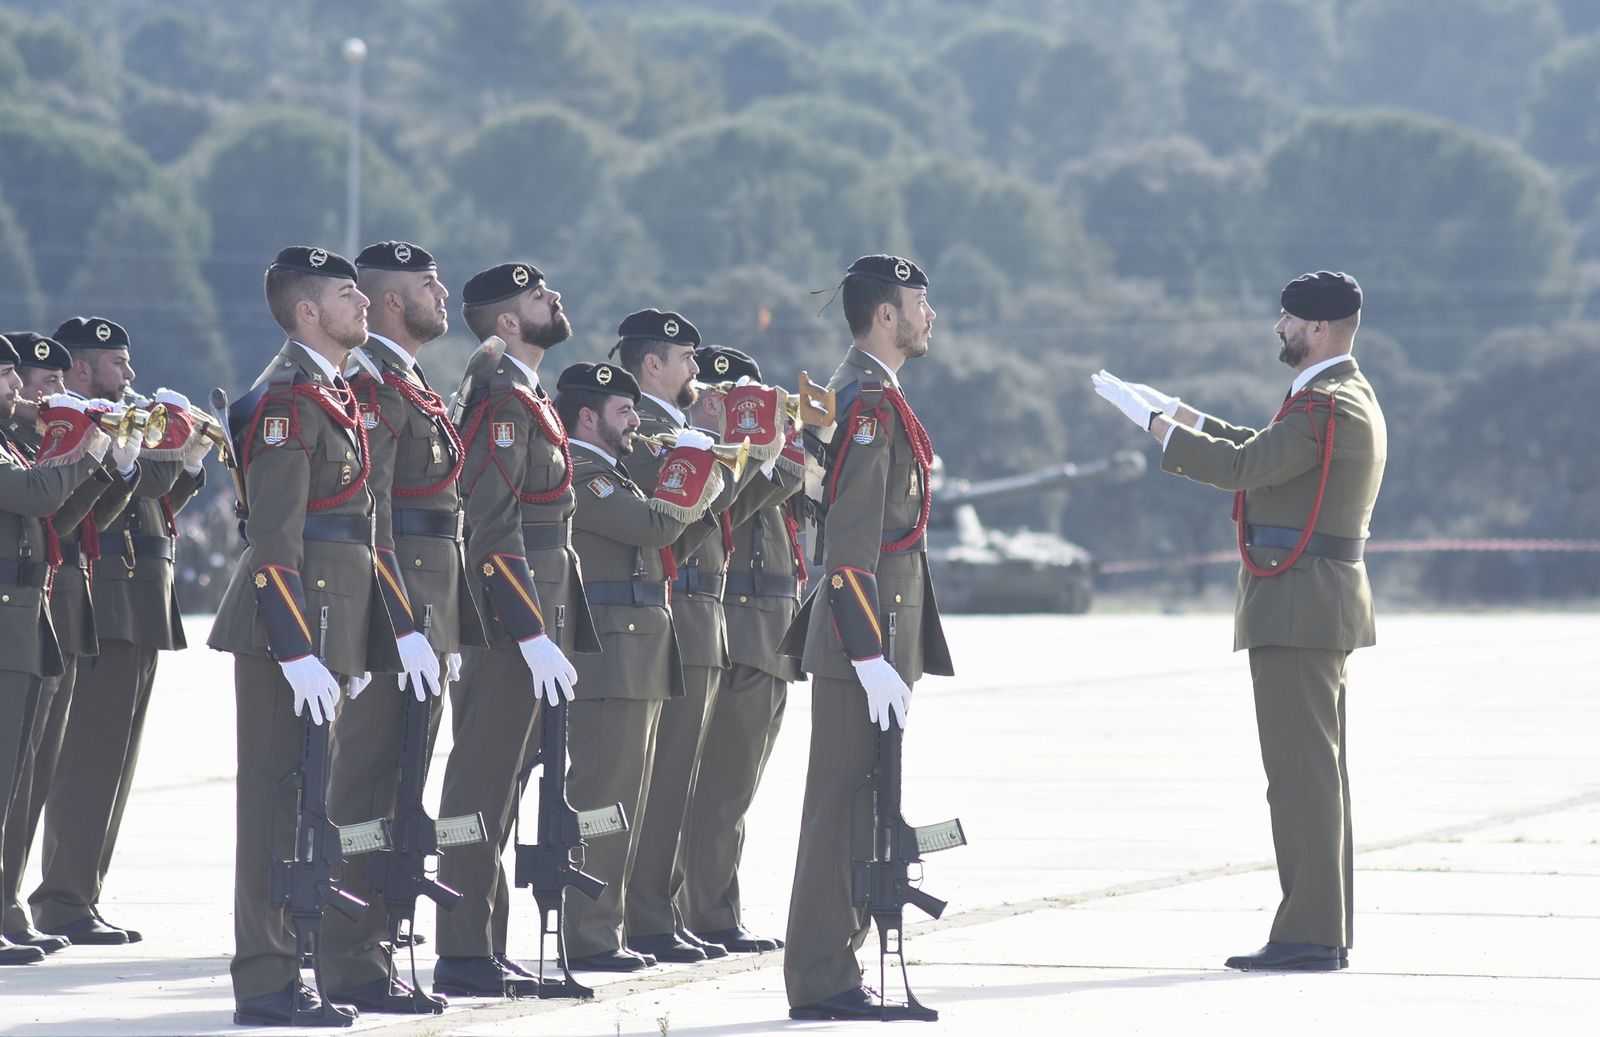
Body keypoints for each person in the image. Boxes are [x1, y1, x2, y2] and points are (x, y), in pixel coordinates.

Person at [1091, 270, 1385, 973]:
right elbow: (1264, 450)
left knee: (1300, 778)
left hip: (1299, 607)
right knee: (1316, 775)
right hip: (1315, 604)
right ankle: (1323, 928)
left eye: (1288, 320)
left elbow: (1247, 465)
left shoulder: (1324, 406)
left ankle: (1309, 934)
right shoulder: (1341, 397)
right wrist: (1183, 415)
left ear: (1319, 328)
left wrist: (1156, 427)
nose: (1278, 329)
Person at [207, 246, 421, 1027]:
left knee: (304, 804)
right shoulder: (287, 401)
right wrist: (298, 649)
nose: (364, 303)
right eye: (346, 294)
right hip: (282, 632)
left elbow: (357, 531)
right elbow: (275, 541)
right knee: (273, 802)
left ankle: (293, 966)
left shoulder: (331, 392)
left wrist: (359, 639)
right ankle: (265, 981)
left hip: (324, 627)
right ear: (307, 311)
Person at [781, 255, 953, 1020]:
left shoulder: (866, 393)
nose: (930, 314)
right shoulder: (869, 404)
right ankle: (822, 976)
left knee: (863, 804)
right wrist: (871, 653)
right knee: (841, 806)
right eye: (920, 302)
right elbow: (849, 548)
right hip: (866, 637)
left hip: (877, 633)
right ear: (887, 315)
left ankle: (839, 965)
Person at [316, 241, 484, 1013]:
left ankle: (378, 946)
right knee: (365, 787)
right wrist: (401, 622)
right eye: (428, 284)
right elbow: (373, 511)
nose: (442, 294)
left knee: (401, 790)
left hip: (427, 616)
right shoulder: (372, 386)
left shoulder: (410, 383)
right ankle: (348, 954)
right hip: (397, 620)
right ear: (391, 301)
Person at [430, 262, 595, 999]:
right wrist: (529, 633)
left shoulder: (529, 397)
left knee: (506, 789)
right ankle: (464, 950)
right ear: (506, 322)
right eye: (535, 295)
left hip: (537, 619)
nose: (552, 298)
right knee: (481, 786)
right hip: (508, 627)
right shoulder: (501, 400)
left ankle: (486, 946)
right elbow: (494, 529)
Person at [30, 317, 211, 947]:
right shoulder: (79, 424)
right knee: (89, 758)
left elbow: (157, 501)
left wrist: (191, 463)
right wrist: (171, 448)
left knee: (114, 762)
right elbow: (134, 486)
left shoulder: (121, 421)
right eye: (117, 363)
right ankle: (63, 898)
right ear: (81, 369)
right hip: (106, 599)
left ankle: (81, 893)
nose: (129, 375)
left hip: (139, 598)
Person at [554, 358, 730, 972]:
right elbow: (655, 527)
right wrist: (697, 472)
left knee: (627, 801)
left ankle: (610, 925)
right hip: (611, 657)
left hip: (639, 654)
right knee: (604, 799)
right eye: (624, 412)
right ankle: (590, 934)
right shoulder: (583, 474)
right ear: (587, 417)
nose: (635, 423)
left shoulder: (614, 473)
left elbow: (668, 543)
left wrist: (703, 483)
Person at [615, 311, 765, 965]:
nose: (695, 372)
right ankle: (645, 915)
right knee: (660, 780)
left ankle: (660, 910)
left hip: (699, 616)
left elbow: (714, 507)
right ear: (652, 365)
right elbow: (675, 514)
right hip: (673, 612)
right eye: (684, 358)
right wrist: (725, 451)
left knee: (675, 781)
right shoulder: (646, 430)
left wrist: (740, 454)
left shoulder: (675, 429)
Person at [0, 332, 134, 955]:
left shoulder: (13, 443)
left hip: (29, 613)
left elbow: (61, 520)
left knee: (20, 773)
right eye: (9, 376)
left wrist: (108, 459)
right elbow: (36, 496)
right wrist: (86, 445)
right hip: (12, 614)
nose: (18, 388)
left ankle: (7, 905)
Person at [681, 345, 807, 954]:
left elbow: (814, 491)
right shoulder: (719, 461)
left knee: (732, 790)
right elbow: (774, 484)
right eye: (740, 402)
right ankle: (707, 913)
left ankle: (706, 907)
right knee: (719, 790)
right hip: (744, 633)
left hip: (771, 634)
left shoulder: (760, 456)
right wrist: (764, 443)